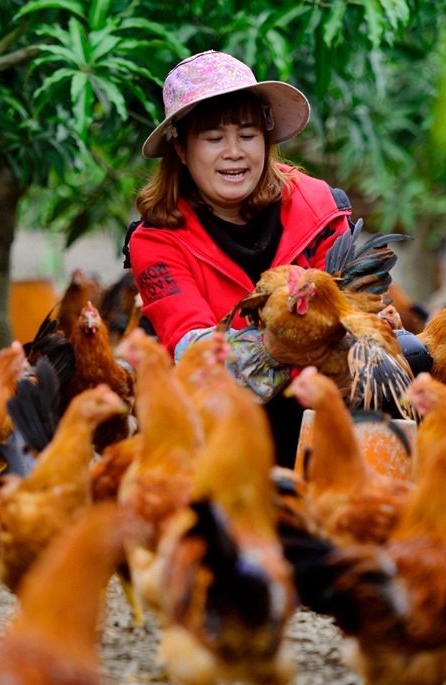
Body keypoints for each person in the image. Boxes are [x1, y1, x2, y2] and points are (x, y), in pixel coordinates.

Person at [125, 50, 355, 464]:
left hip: (325, 408)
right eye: (214, 139)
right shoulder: (155, 241)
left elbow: (353, 318)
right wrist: (284, 348)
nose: (234, 152)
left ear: (265, 140)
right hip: (221, 427)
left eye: (248, 136)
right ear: (180, 149)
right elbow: (196, 358)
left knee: (412, 358)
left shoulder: (320, 208)